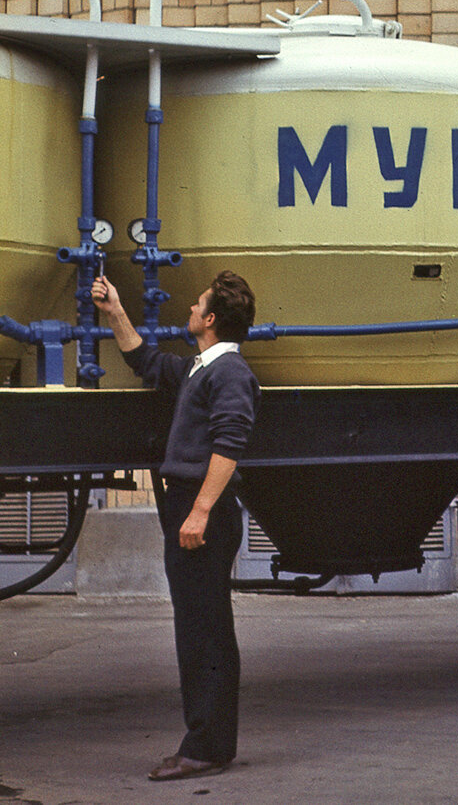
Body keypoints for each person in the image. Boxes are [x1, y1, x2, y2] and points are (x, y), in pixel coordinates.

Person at [92, 270, 260, 782]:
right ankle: (208, 741)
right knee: (199, 628)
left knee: (203, 631)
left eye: (197, 304)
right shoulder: (198, 368)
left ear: (210, 320)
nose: (189, 308)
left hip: (199, 510)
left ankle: (206, 748)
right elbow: (145, 359)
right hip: (188, 507)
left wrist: (201, 510)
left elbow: (230, 444)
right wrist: (115, 311)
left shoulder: (229, 372)